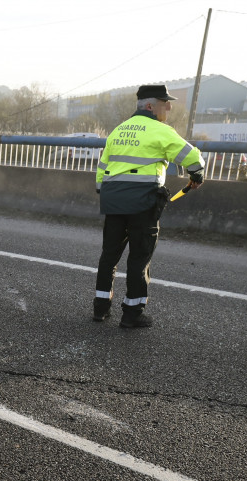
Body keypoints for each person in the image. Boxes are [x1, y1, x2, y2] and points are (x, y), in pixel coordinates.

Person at [93, 84, 205, 328]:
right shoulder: (160, 130)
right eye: (165, 103)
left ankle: (100, 308)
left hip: (113, 201)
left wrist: (105, 191)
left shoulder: (118, 130)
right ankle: (132, 314)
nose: (170, 106)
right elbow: (192, 157)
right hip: (142, 203)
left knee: (109, 255)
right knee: (139, 258)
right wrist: (196, 176)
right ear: (151, 106)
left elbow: (102, 169)